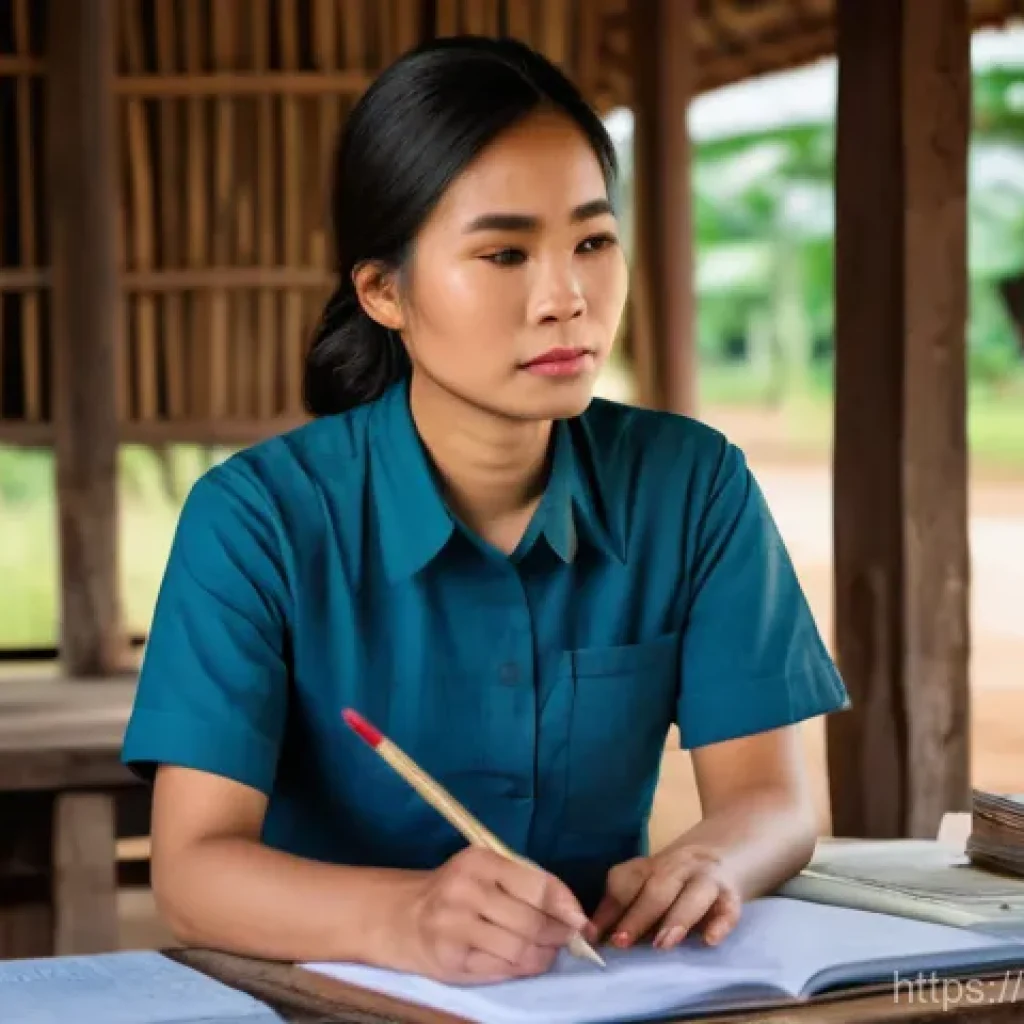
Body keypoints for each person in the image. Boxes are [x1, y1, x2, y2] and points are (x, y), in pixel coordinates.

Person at [121, 35, 849, 986]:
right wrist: (407, 918)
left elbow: (771, 801)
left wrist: (715, 858)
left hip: (598, 991)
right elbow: (191, 872)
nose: (567, 297)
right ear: (385, 292)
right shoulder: (255, 521)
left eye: (593, 241)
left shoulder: (693, 485)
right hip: (330, 1000)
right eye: (505, 252)